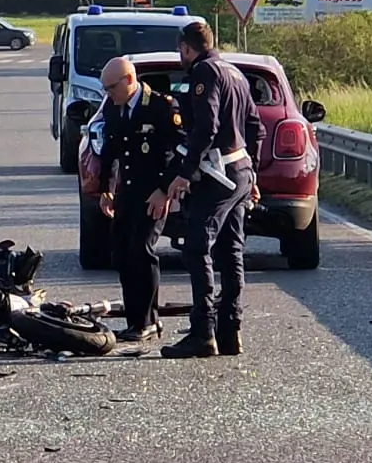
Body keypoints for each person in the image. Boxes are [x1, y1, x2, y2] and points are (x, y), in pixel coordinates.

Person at [161, 19, 258, 358]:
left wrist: (185, 173)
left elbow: (206, 126)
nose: (181, 57)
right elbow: (255, 127)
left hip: (217, 175)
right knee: (231, 251)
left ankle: (203, 331)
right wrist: (253, 174)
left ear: (187, 48)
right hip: (240, 170)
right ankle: (230, 330)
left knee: (196, 247)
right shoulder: (235, 73)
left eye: (181, 51)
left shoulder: (205, 74)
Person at [93, 56, 183, 344]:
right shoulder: (113, 107)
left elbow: (179, 152)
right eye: (105, 89)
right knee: (121, 253)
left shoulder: (160, 106)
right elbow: (110, 149)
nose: (108, 94)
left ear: (129, 80)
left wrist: (164, 189)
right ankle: (136, 321)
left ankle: (147, 321)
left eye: (111, 88)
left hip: (153, 193)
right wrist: (106, 188)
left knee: (141, 251)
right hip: (127, 194)